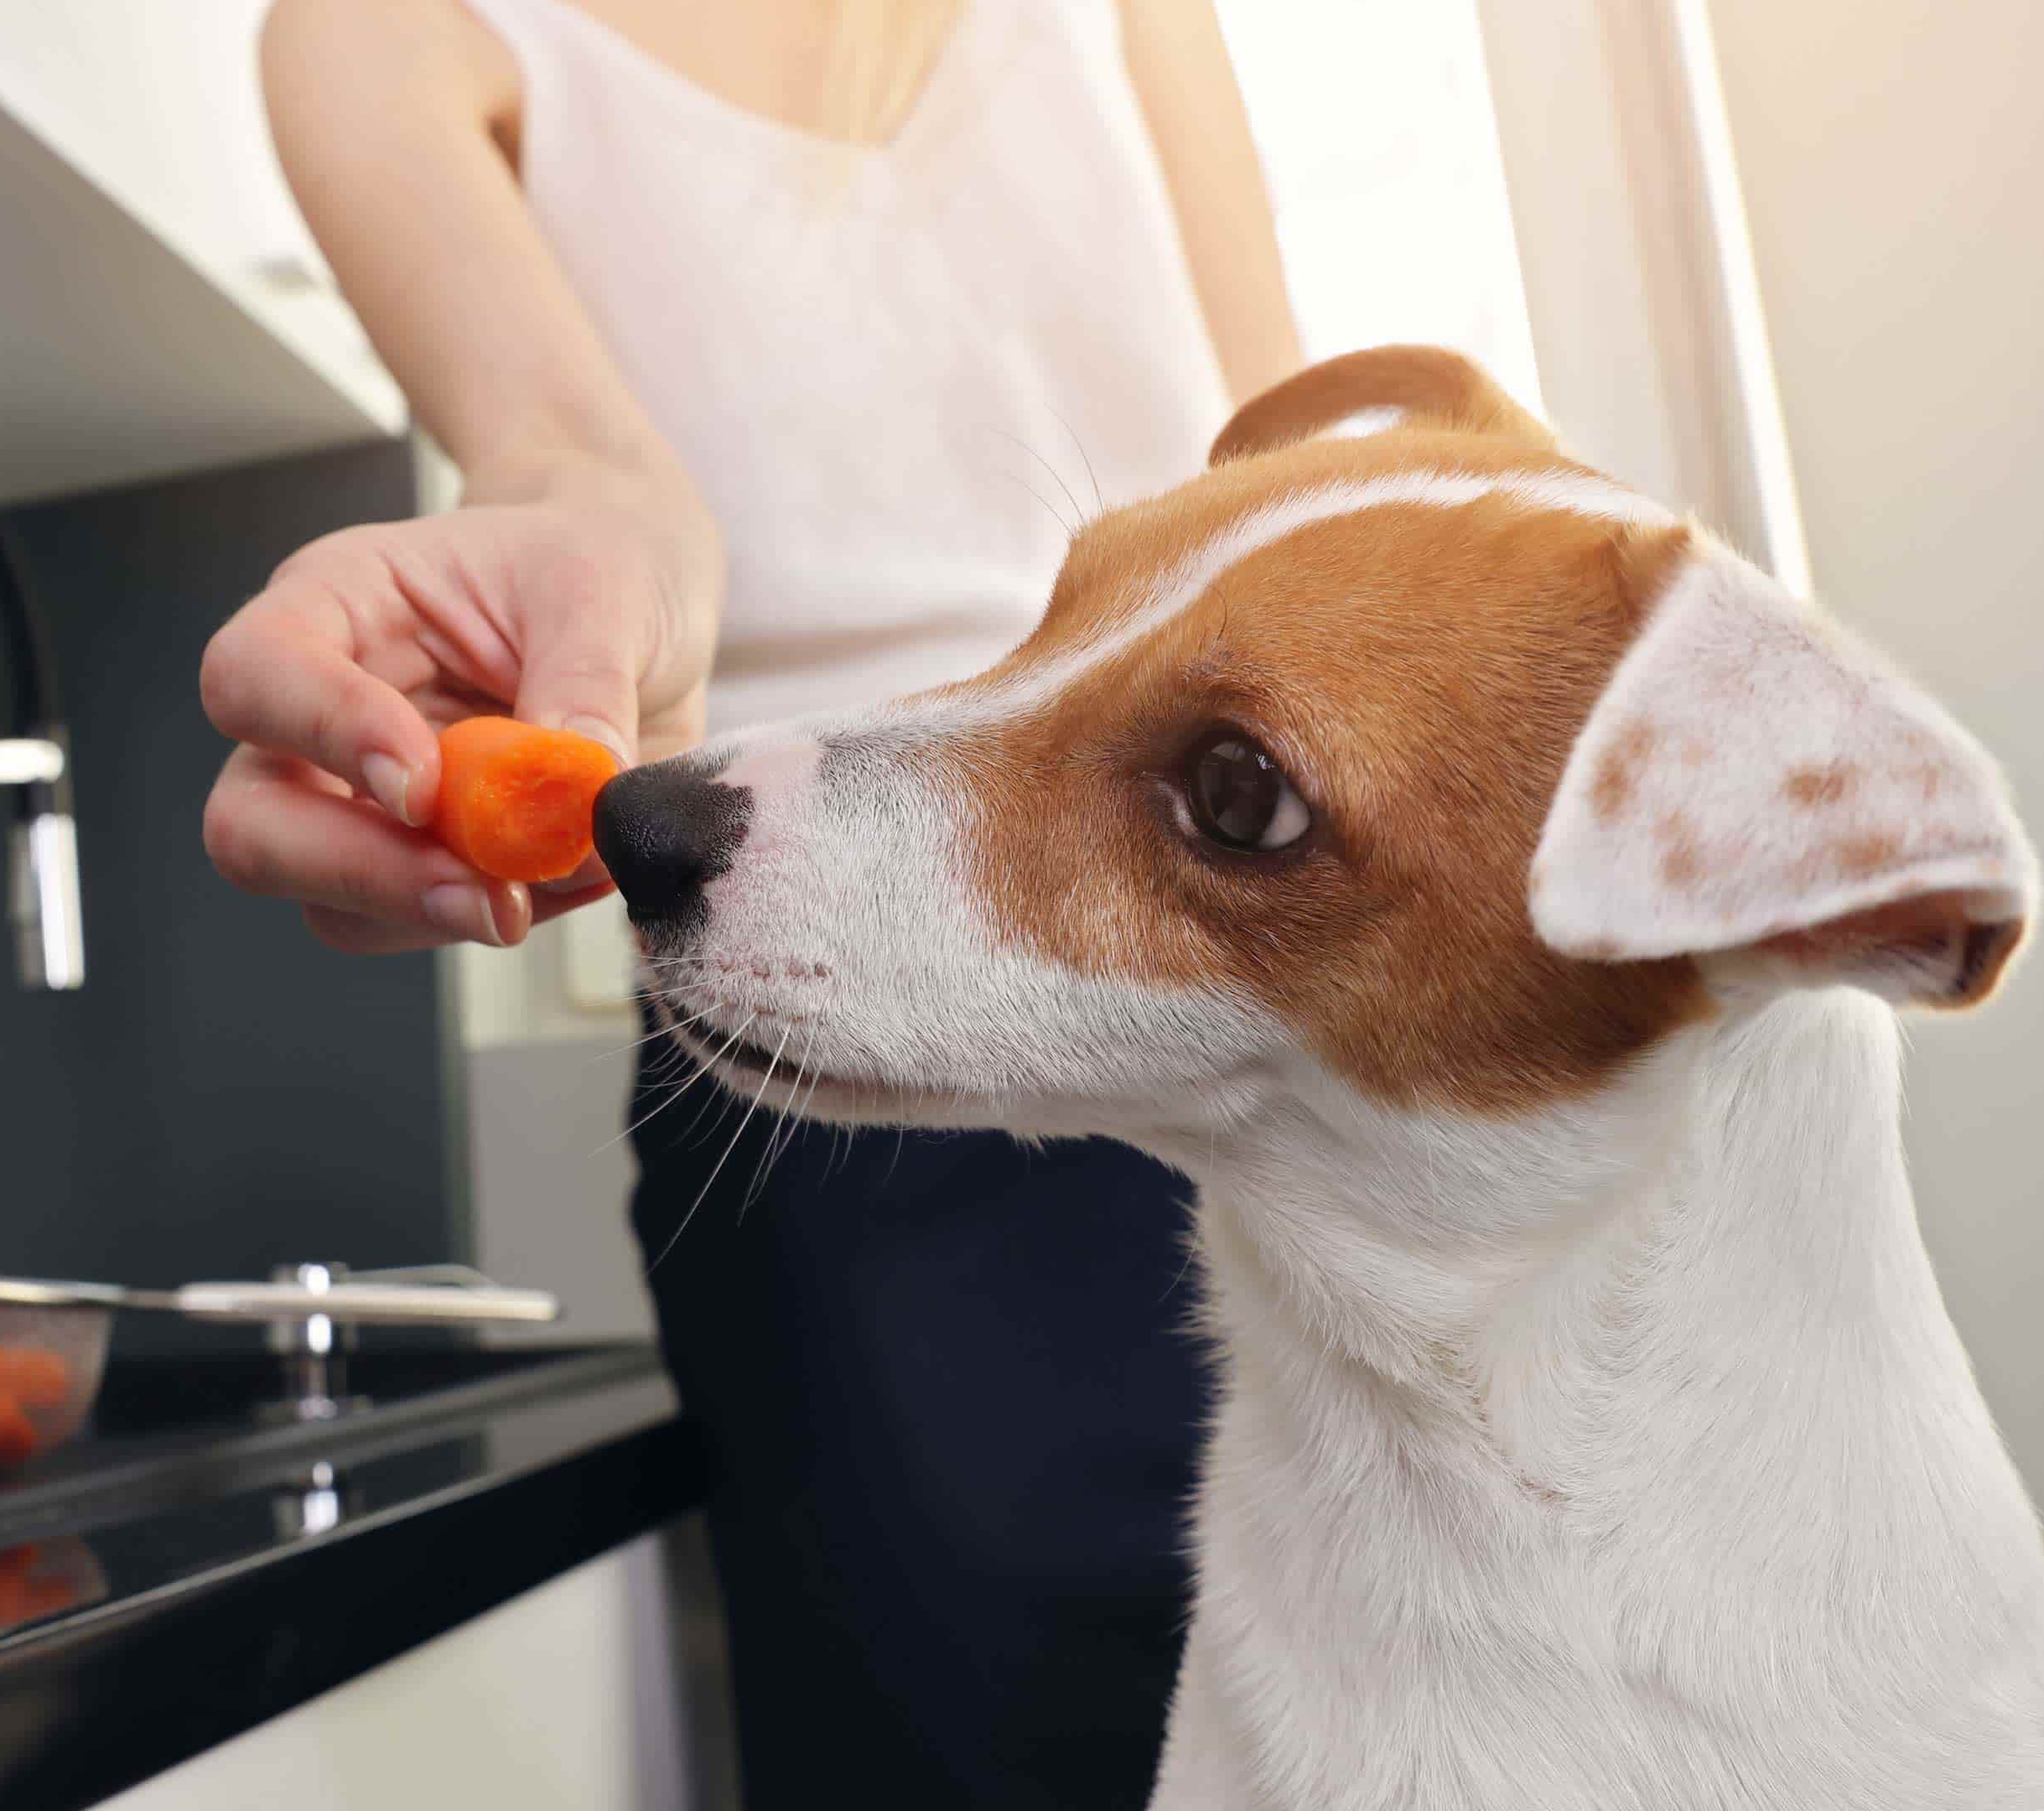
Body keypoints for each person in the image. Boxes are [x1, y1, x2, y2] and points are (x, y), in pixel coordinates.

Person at [197, 0, 1302, 1799]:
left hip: (1265, 1044)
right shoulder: (383, 32)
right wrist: (583, 573)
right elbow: (579, 465)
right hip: (845, 1103)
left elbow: (1316, 496)